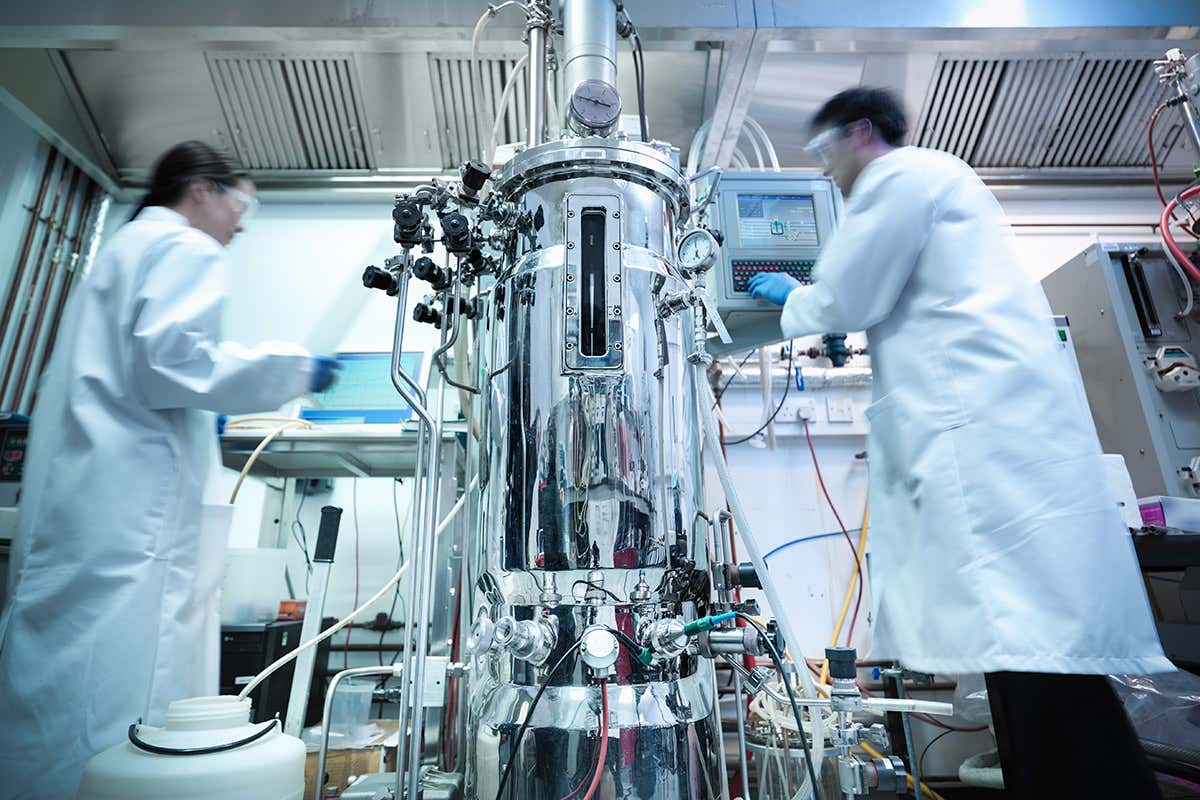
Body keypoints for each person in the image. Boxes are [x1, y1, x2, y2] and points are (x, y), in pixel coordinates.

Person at [748, 88, 1172, 799]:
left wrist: (792, 296)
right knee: (1033, 673)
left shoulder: (900, 177)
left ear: (860, 132)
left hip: (987, 460)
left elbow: (846, 296)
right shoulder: (940, 180)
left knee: (1046, 681)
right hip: (997, 454)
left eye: (827, 153)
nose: (827, 172)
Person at [0, 141, 340, 798]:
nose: (241, 223)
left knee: (58, 680)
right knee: (126, 705)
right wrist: (294, 369)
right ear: (201, 190)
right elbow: (176, 362)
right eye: (242, 202)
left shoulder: (121, 253)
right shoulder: (185, 247)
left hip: (87, 514)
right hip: (130, 529)